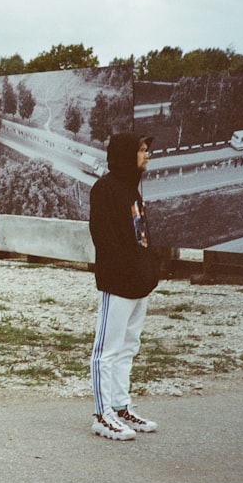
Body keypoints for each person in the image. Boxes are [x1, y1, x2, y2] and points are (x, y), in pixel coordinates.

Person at [89, 133, 160, 441]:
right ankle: (102, 415)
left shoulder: (132, 189)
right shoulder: (104, 189)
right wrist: (126, 271)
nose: (146, 156)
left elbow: (140, 235)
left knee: (129, 346)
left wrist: (148, 270)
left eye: (146, 150)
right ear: (124, 154)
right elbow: (104, 239)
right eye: (142, 151)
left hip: (138, 282)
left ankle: (121, 407)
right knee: (107, 350)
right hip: (118, 282)